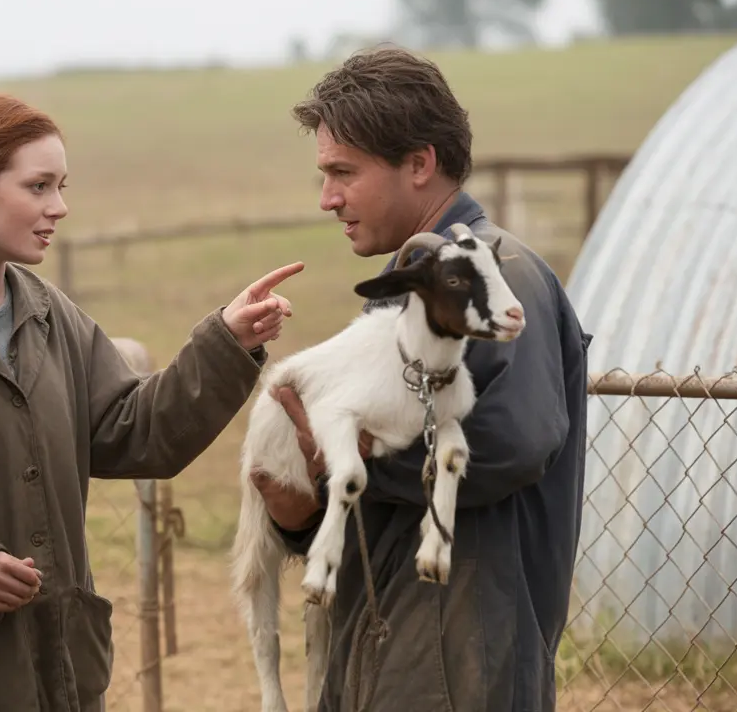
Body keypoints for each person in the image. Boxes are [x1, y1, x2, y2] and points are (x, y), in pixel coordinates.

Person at [0, 92, 302, 710]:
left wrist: (225, 343)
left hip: (69, 677)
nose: (60, 207)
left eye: (61, 186)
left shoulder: (50, 315)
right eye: (39, 186)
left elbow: (134, 431)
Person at [251, 46, 592, 711]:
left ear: (418, 163)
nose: (327, 198)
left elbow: (512, 443)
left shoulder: (497, 277)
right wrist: (302, 512)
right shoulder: (411, 296)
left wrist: (355, 460)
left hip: (456, 660)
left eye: (343, 172)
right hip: (390, 649)